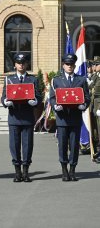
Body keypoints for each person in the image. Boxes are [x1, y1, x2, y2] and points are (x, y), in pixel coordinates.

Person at [1, 53, 42, 182]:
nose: (21, 65)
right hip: (14, 116)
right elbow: (3, 96)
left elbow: (39, 97)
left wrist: (35, 101)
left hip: (27, 117)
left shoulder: (33, 80)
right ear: (15, 65)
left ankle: (26, 171)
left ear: (26, 64)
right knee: (14, 145)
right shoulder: (9, 80)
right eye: (19, 63)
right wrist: (5, 102)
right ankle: (17, 171)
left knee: (27, 145)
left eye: (23, 63)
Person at [49, 53, 90, 181]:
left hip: (75, 118)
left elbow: (87, 97)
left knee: (74, 146)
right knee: (62, 145)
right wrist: (55, 105)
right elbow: (52, 97)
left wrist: (84, 105)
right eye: (67, 64)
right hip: (62, 118)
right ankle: (64, 170)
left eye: (71, 64)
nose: (69, 66)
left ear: (74, 65)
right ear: (63, 65)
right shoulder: (56, 80)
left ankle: (72, 170)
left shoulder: (81, 80)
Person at [89, 56, 100, 163]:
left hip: (99, 106)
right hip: (94, 105)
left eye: (96, 65)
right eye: (94, 65)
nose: (94, 67)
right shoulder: (95, 76)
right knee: (95, 129)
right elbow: (90, 87)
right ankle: (97, 150)